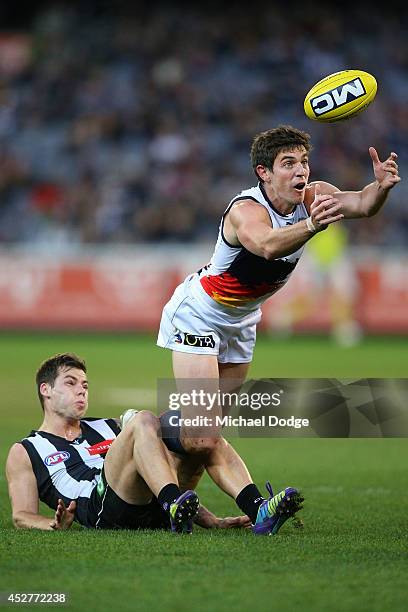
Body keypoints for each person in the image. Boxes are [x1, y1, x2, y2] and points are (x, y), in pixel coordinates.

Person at [157, 124, 401, 455]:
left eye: (303, 161)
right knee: (202, 435)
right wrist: (313, 224)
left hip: (241, 322)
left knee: (207, 440)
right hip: (200, 314)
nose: (300, 170)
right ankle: (140, 427)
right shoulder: (246, 209)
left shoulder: (314, 195)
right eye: (288, 163)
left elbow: (361, 203)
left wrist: (381, 186)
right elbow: (267, 245)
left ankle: (188, 507)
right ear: (265, 172)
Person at [5, 353, 303, 535]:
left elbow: (155, 468)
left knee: (200, 433)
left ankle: (258, 510)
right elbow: (21, 515)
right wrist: (53, 525)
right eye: (70, 383)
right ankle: (172, 503)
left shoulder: (105, 426)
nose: (81, 392)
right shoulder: (27, 449)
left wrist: (209, 520)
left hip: (154, 504)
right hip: (101, 508)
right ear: (45, 390)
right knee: (144, 420)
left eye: (84, 385)